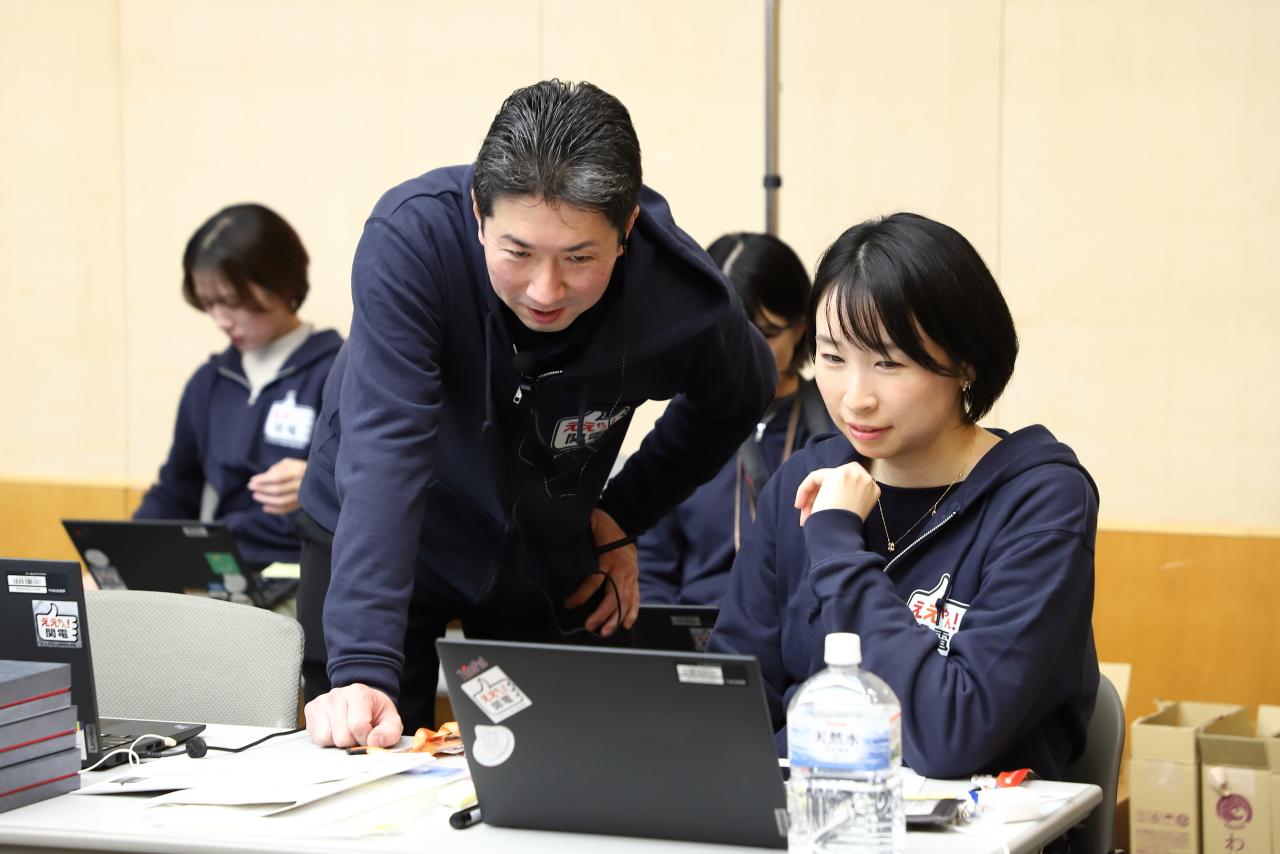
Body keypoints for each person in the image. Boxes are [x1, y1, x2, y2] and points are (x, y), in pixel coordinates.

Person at [298, 80, 776, 748]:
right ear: (477, 213)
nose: (546, 291)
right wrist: (360, 665)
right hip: (384, 533)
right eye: (517, 253)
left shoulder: (679, 296)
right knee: (361, 738)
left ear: (627, 227)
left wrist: (623, 514)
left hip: (544, 538)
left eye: (580, 258)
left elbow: (740, 397)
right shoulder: (414, 240)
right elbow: (387, 445)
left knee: (569, 757)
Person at [710, 212, 1099, 780]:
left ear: (964, 361)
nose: (855, 397)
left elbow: (951, 736)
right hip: (811, 818)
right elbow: (735, 702)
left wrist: (837, 543)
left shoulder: (1041, 501)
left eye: (888, 363)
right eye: (834, 358)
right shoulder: (805, 478)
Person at [135, 204, 342, 568]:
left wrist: (318, 482)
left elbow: (371, 485)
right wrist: (119, 562)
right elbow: (175, 490)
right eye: (209, 304)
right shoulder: (210, 382)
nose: (220, 320)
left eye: (232, 302)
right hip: (219, 570)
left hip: (305, 575)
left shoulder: (339, 372)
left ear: (279, 282)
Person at [638, 232, 833, 606]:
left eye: (764, 334)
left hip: (803, 641)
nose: (740, 350)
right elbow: (650, 566)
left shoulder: (837, 427)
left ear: (801, 327)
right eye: (722, 332)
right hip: (698, 640)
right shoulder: (684, 429)